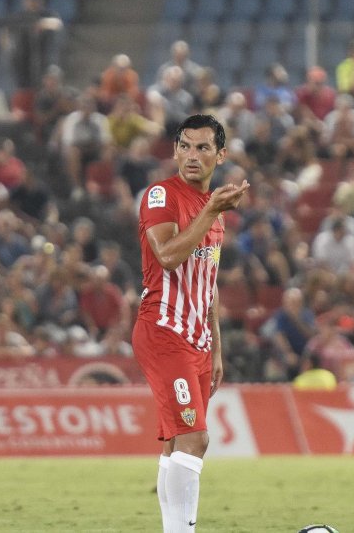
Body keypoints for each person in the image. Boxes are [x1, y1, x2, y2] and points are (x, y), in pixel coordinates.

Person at [135, 114, 249, 533]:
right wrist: (212, 211)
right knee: (195, 439)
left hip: (197, 341)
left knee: (174, 443)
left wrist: (216, 347)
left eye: (203, 148)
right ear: (175, 150)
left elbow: (209, 284)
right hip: (163, 330)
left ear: (221, 155)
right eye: (185, 146)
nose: (192, 156)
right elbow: (166, 256)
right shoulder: (162, 196)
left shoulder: (212, 209)